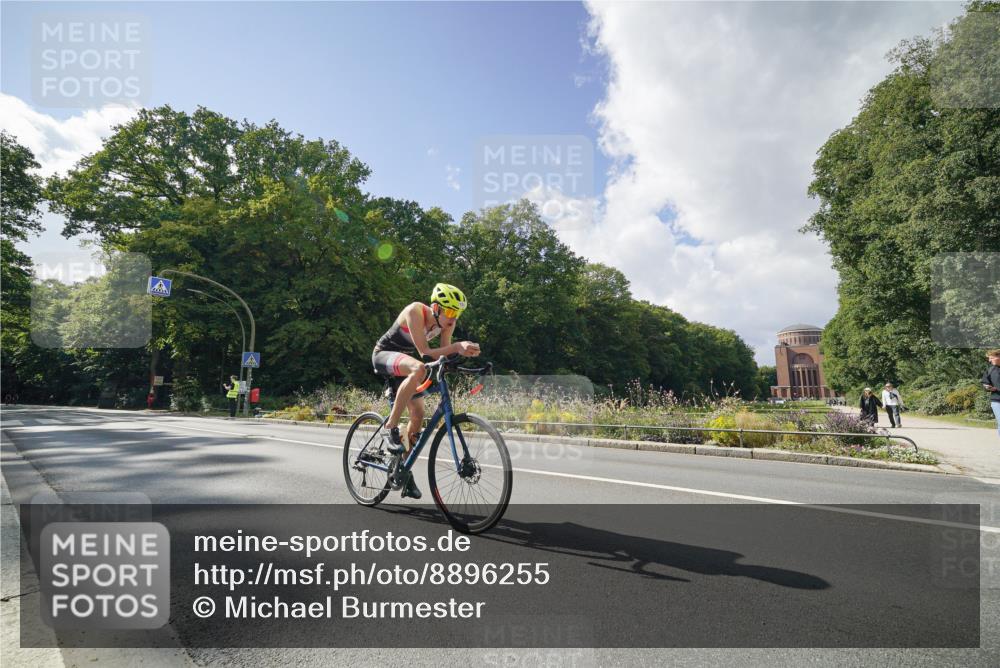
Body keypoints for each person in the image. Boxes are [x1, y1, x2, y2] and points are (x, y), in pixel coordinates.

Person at [371, 283, 480, 499]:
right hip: (385, 354)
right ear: (435, 307)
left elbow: (443, 355)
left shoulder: (447, 323)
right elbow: (425, 352)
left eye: (457, 313)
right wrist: (457, 347)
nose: (453, 317)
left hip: (407, 365)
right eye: (449, 311)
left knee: (418, 415)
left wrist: (464, 354)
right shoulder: (415, 311)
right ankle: (389, 426)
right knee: (419, 367)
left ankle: (403, 471)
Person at [982, 349, 1000, 439]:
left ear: (998, 357)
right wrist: (987, 387)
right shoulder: (990, 370)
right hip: (997, 401)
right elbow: (985, 382)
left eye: (992, 358)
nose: (989, 360)